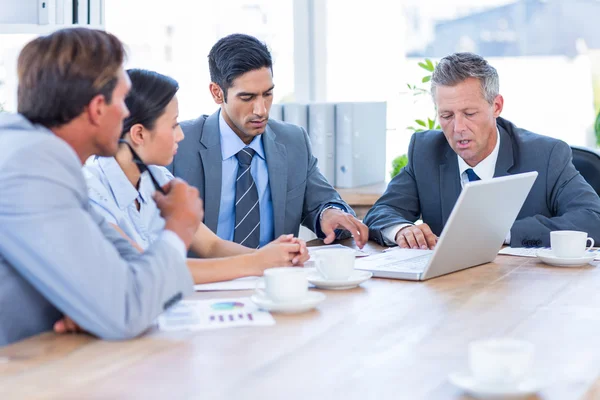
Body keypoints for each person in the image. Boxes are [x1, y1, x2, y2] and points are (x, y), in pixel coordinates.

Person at [0, 28, 203, 346]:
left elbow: (124, 268)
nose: (125, 113)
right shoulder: (32, 165)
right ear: (97, 108)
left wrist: (94, 304)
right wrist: (178, 228)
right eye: (122, 100)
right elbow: (125, 310)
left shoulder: (45, 159)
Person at [83, 68, 309, 285]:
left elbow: (210, 246)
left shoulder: (157, 177)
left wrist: (276, 256)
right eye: (173, 125)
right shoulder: (91, 193)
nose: (180, 135)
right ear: (139, 134)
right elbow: (146, 269)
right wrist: (257, 262)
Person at [364, 52, 600, 249]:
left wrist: (503, 233)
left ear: (496, 106)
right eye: (446, 115)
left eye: (469, 114)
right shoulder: (426, 151)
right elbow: (382, 212)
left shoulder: (546, 155)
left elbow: (593, 219)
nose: (458, 128)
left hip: (524, 289)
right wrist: (402, 229)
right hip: (448, 290)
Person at [168, 33, 369, 249]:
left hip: (275, 277)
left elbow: (323, 201)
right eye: (247, 97)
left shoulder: (293, 141)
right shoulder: (179, 144)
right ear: (217, 93)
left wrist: (328, 214)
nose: (261, 110)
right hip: (208, 279)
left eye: (268, 94)